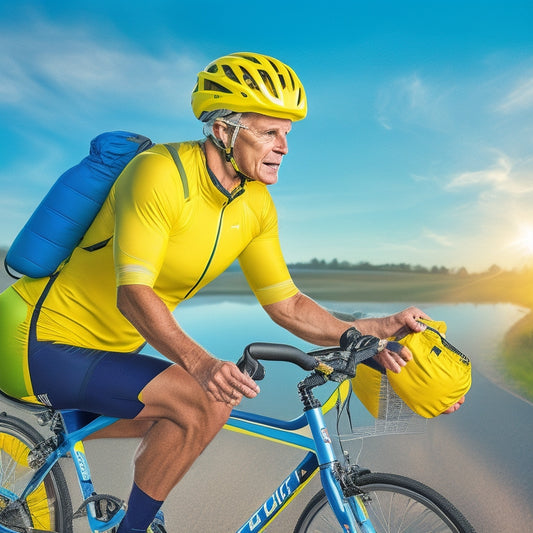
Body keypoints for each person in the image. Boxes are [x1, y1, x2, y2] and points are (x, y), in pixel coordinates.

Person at [0, 52, 430, 533]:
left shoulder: (256, 206)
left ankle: (69, 439)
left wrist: (368, 330)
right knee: (203, 400)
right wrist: (201, 365)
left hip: (108, 351)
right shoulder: (158, 173)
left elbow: (286, 304)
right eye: (270, 132)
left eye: (288, 133)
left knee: (197, 412)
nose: (284, 146)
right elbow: (133, 294)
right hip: (38, 340)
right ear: (223, 129)